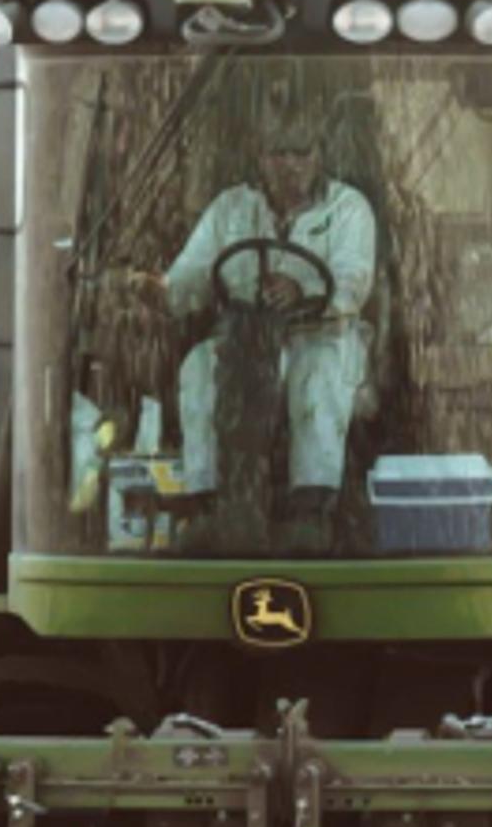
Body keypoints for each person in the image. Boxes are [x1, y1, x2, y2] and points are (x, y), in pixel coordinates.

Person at [128, 127, 377, 531]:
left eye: (301, 151)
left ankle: (312, 506)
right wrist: (163, 292)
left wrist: (306, 291)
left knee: (317, 372)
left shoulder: (349, 208)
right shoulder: (230, 208)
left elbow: (353, 279)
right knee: (198, 365)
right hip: (246, 337)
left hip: (324, 335)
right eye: (278, 153)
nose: (290, 165)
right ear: (259, 156)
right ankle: (204, 501)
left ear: (319, 154)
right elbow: (192, 274)